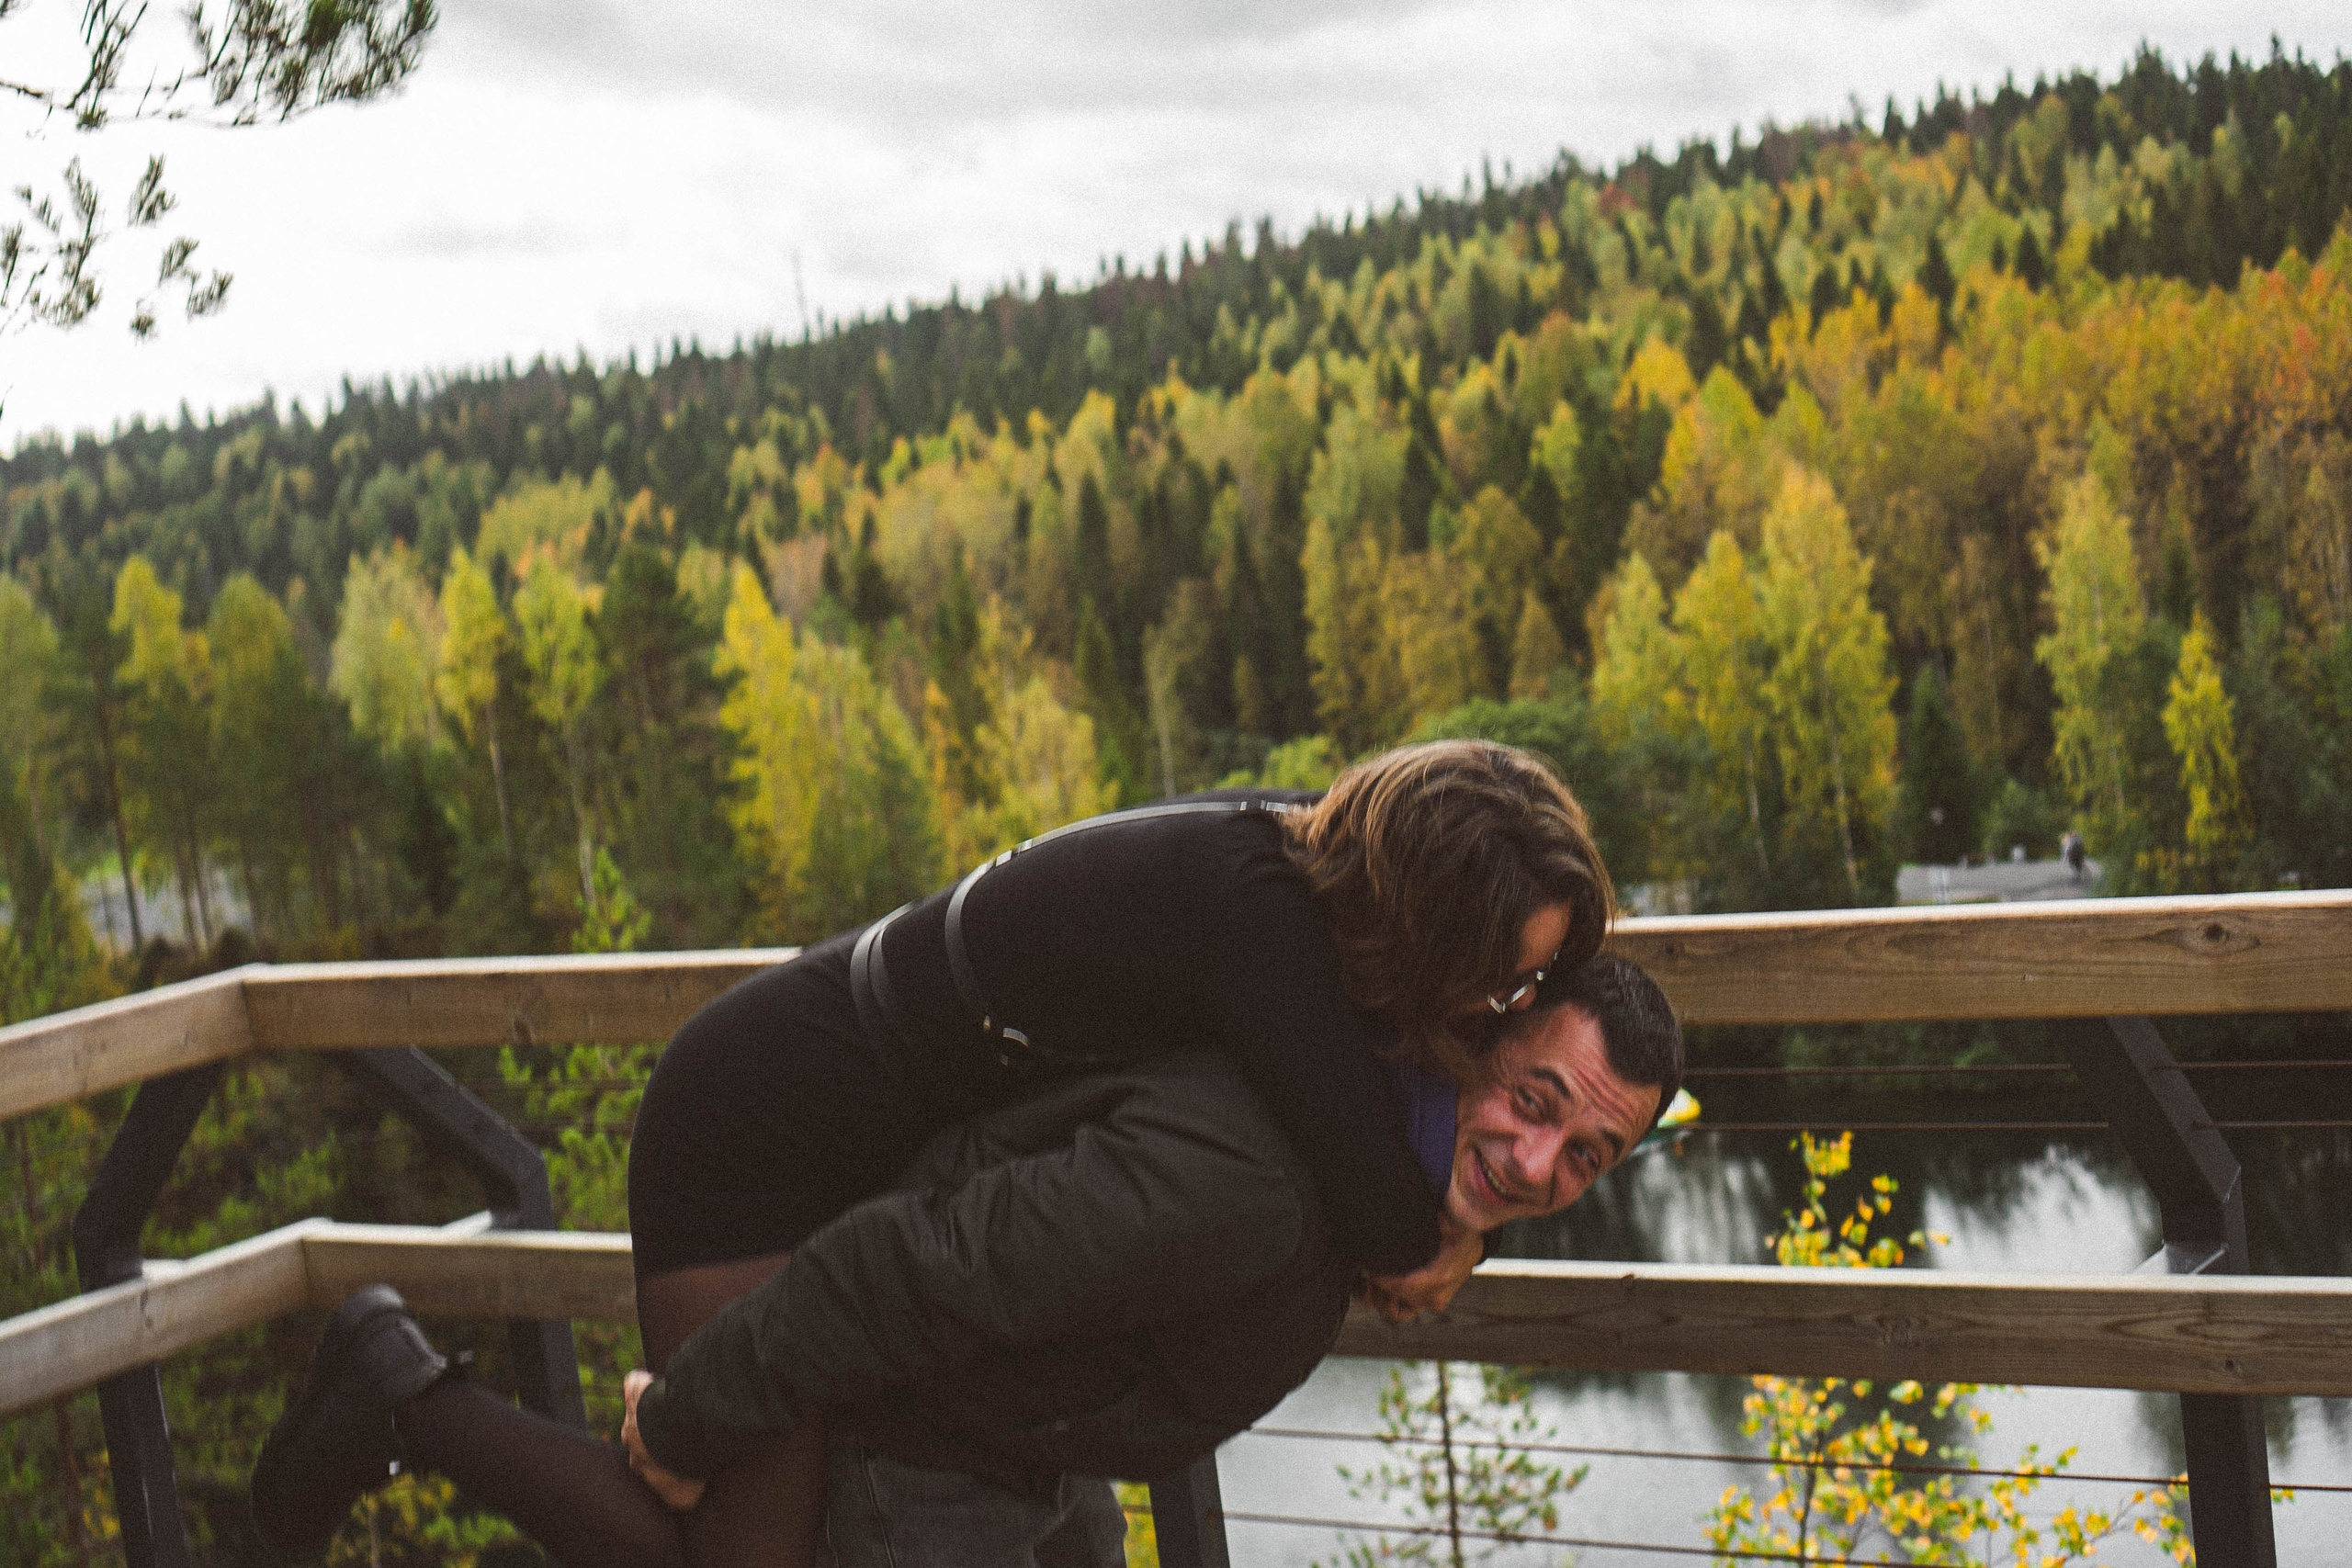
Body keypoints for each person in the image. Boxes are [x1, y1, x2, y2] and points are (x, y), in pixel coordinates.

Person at [250, 739, 1617, 1564]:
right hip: (762, 1124)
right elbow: (1384, 1210)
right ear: (1427, 914)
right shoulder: (1264, 923)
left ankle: (404, 1394)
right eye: (1499, 976)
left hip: (873, 1133)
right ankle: (402, 1392)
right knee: (730, 1556)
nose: (1496, 1009)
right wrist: (1453, 1235)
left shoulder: (1309, 863)